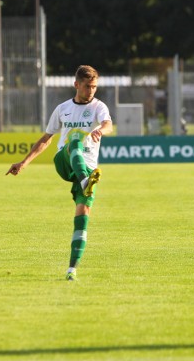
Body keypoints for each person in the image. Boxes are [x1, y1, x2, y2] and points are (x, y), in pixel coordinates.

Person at [6, 65, 113, 281]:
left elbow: (108, 124)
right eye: (87, 86)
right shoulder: (62, 108)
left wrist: (101, 130)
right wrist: (25, 162)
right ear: (76, 85)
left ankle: (72, 269)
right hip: (64, 161)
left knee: (83, 217)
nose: (91, 91)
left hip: (89, 169)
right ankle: (84, 181)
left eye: (94, 87)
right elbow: (47, 138)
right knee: (74, 139)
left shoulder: (99, 106)